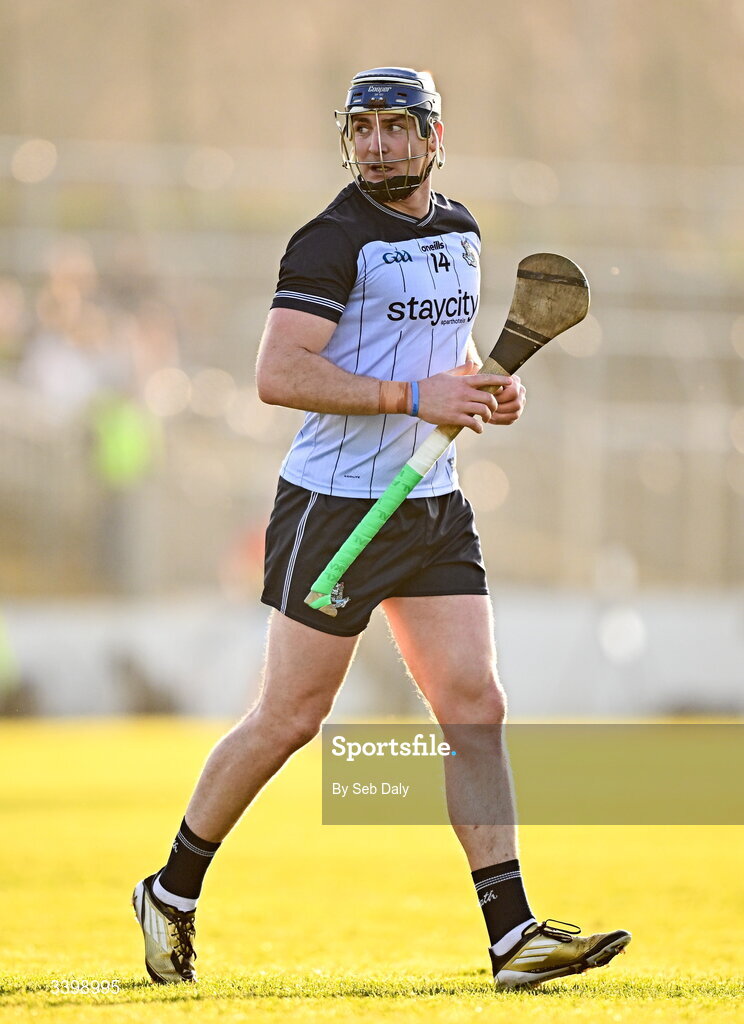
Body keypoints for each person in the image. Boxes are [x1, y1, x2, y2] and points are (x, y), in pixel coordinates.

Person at [132, 66, 630, 990]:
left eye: (397, 125)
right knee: (291, 717)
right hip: (338, 510)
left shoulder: (461, 229)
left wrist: (486, 384)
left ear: (435, 135)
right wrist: (413, 395)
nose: (376, 143)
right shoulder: (329, 241)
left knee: (475, 707)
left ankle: (511, 935)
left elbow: (451, 355)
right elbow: (279, 373)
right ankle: (171, 890)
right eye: (360, 126)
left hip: (432, 504)